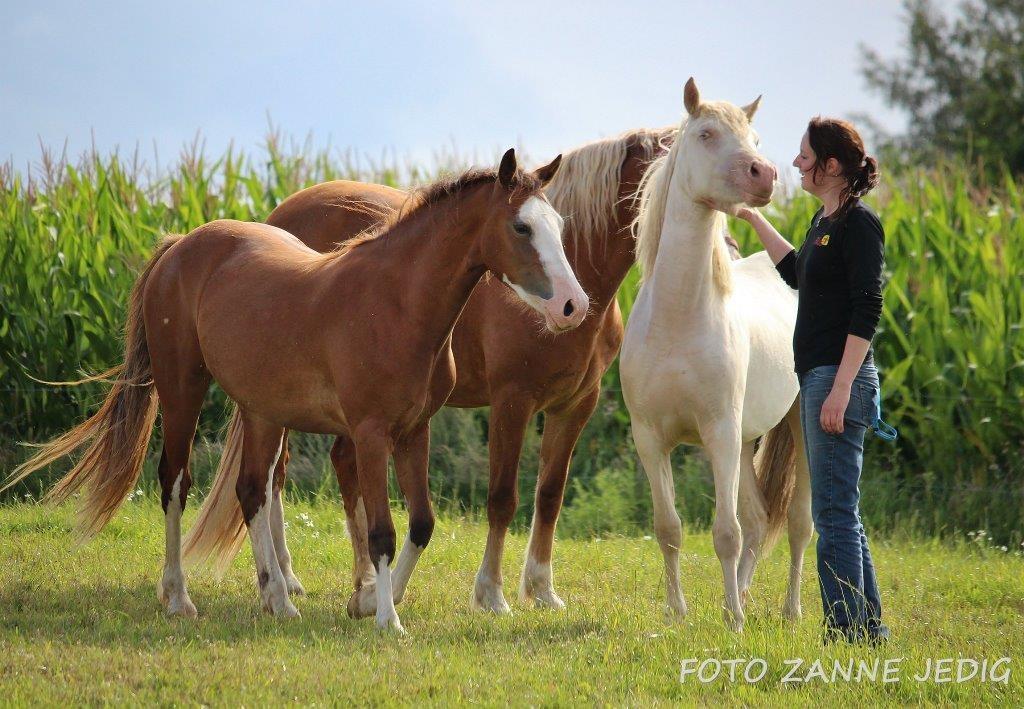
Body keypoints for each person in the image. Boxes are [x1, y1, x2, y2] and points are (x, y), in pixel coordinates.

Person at [736, 116, 890, 645]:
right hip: (822, 378)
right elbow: (797, 274)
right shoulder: (825, 223)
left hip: (836, 381)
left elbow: (868, 309)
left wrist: (843, 387)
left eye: (805, 156)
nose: (796, 163)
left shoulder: (858, 225)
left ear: (830, 165)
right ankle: (868, 633)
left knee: (832, 514)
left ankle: (848, 633)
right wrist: (752, 221)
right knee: (841, 510)